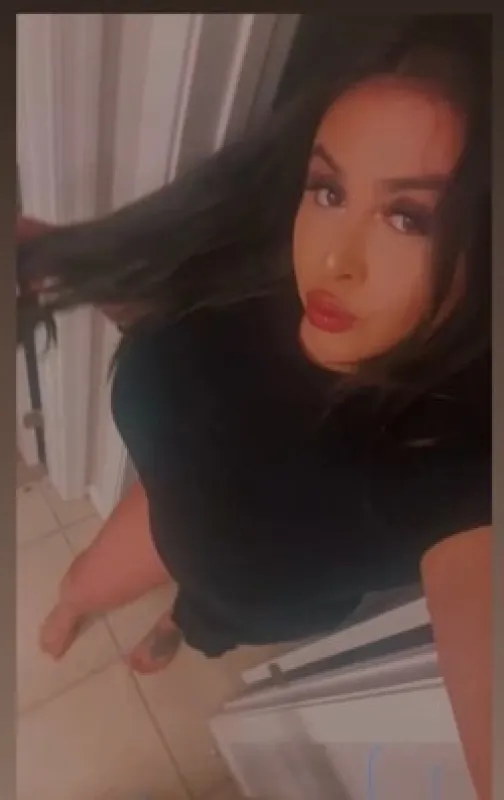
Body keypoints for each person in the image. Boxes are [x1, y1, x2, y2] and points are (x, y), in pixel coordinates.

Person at [17, 16, 492, 799]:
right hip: (173, 506)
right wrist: (48, 258)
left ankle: (180, 625)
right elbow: (150, 310)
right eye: (329, 190)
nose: (333, 259)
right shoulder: (249, 270)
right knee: (82, 580)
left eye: (409, 217)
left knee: (211, 620)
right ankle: (83, 604)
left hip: (255, 593)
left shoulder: (454, 464)